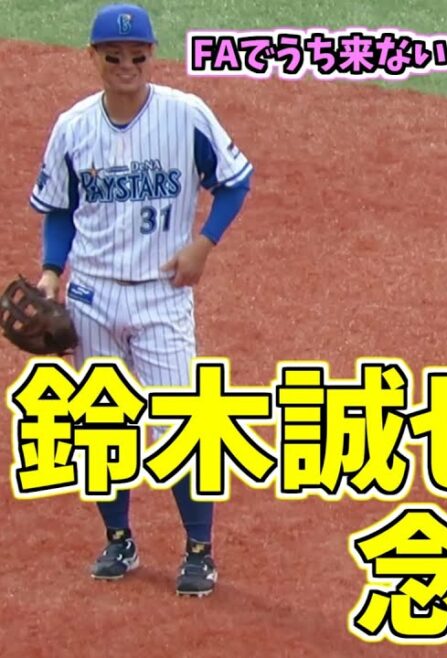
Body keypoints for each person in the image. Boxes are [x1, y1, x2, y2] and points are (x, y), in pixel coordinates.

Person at [28, 2, 253, 597]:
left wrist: (204, 244)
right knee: (103, 423)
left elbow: (235, 182)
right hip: (91, 295)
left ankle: (199, 550)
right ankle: (119, 540)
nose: (126, 65)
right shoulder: (73, 126)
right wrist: (50, 273)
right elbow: (59, 209)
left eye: (137, 55)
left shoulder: (186, 115)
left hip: (162, 295)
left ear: (153, 54)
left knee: (183, 423)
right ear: (93, 57)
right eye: (113, 56)